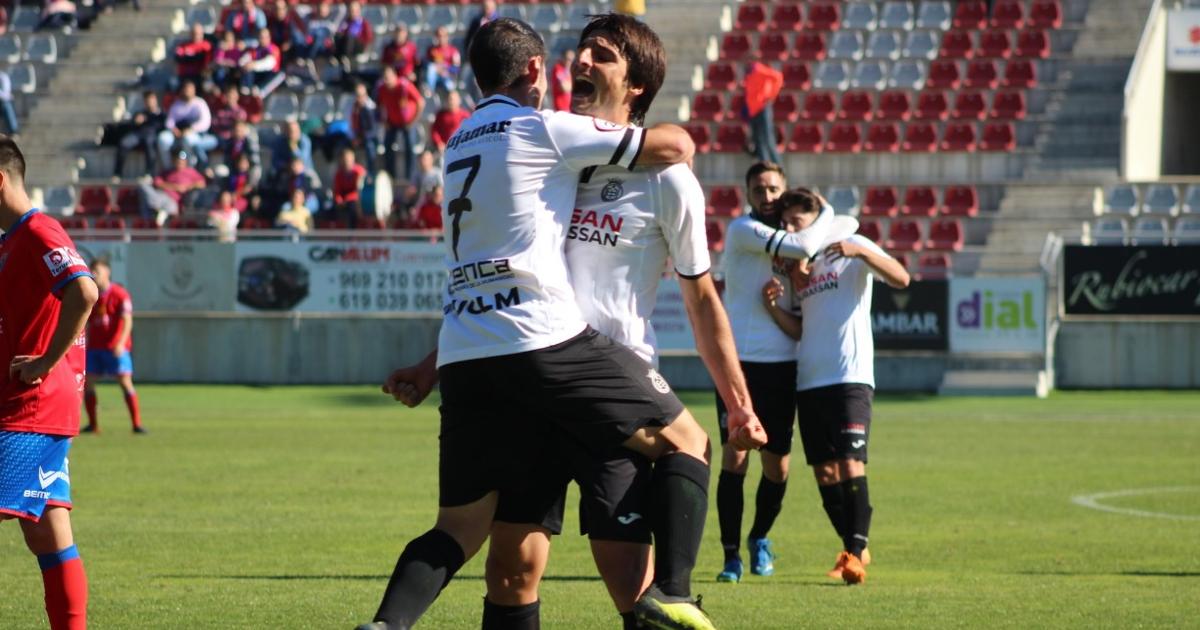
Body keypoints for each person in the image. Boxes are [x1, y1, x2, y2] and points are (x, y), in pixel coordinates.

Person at [356, 17, 706, 630]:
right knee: (689, 440)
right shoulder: (542, 129)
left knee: (467, 533)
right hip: (546, 345)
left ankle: (385, 626)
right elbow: (673, 145)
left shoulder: (458, 142)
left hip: (471, 356)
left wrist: (429, 365)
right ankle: (676, 592)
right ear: (535, 71)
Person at [759, 188, 910, 585]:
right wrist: (774, 307)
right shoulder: (798, 266)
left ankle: (855, 554)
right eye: (785, 223)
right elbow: (800, 328)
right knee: (825, 473)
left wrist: (860, 253)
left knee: (849, 464)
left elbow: (901, 277)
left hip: (849, 376)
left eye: (796, 221)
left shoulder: (852, 242)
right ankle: (852, 547)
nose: (790, 228)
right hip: (810, 379)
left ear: (816, 217)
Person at [0, 135, 99, 630]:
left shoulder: (40, 230)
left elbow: (85, 291)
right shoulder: (12, 240)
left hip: (28, 412)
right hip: (36, 412)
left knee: (48, 532)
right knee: (49, 533)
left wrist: (43, 362)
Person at [81, 257, 145, 435]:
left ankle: (136, 424)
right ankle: (93, 425)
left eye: (97, 271)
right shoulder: (91, 294)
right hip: (95, 347)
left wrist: (121, 343)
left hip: (116, 348)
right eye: (92, 271)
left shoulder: (119, 294)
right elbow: (86, 321)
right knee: (89, 383)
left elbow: (127, 321)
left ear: (107, 272)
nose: (94, 275)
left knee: (125, 382)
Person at [375, 66, 424, 183]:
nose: (387, 80)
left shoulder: (404, 86)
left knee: (409, 146)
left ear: (395, 76)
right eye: (385, 78)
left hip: (407, 123)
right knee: (387, 145)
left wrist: (413, 121)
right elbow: (379, 106)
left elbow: (420, 102)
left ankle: (409, 178)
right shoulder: (382, 89)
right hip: (392, 122)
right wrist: (384, 121)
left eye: (389, 77)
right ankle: (390, 176)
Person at [156, 81, 218, 170]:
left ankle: (189, 169)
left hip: (196, 134)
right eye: (185, 89)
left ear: (194, 90)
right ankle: (168, 168)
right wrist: (174, 129)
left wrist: (191, 129)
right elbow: (169, 122)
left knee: (188, 140)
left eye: (189, 89)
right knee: (163, 139)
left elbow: (205, 122)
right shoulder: (177, 104)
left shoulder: (200, 103)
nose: (187, 91)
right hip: (177, 133)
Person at [139, 151, 206, 226]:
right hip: (162, 196)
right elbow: (157, 182)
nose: (179, 163)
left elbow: (202, 183)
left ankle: (160, 213)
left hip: (174, 202)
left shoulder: (191, 172)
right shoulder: (168, 171)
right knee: (143, 185)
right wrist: (175, 187)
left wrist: (187, 187)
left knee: (169, 208)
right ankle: (158, 212)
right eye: (178, 161)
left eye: (182, 161)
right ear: (174, 161)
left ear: (185, 162)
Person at [112, 91, 165, 179]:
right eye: (147, 100)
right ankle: (117, 173)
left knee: (149, 143)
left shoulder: (161, 115)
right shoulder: (140, 113)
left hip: (151, 135)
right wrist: (136, 122)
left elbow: (161, 127)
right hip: (138, 135)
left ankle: (149, 173)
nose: (150, 102)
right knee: (124, 143)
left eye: (151, 100)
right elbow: (131, 125)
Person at [744, 61, 782, 165]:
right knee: (759, 142)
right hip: (753, 111)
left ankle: (778, 169)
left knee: (768, 140)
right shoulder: (749, 73)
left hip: (762, 109)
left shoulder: (758, 69)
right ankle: (764, 168)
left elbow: (777, 77)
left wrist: (771, 96)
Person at [239, 28, 284, 97]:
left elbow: (269, 63)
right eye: (261, 37)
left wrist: (254, 64)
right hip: (256, 76)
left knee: (280, 74)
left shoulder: (274, 49)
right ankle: (246, 90)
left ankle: (259, 92)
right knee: (246, 68)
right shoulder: (255, 50)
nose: (263, 39)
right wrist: (246, 65)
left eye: (266, 37)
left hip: (268, 77)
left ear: (269, 37)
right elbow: (242, 61)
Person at [334, 1, 373, 76]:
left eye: (355, 10)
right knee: (338, 36)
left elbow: (368, 38)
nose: (353, 13)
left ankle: (346, 58)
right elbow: (340, 32)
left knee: (350, 37)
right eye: (351, 10)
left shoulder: (364, 23)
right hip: (346, 45)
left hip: (358, 45)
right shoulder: (346, 22)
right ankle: (339, 58)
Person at [331, 146, 365, 227]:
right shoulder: (339, 174)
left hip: (355, 200)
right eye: (345, 159)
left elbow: (358, 190)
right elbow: (337, 190)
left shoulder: (359, 171)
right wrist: (339, 200)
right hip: (343, 200)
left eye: (349, 159)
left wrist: (347, 200)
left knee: (352, 209)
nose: (347, 161)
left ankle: (352, 233)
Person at [423, 26, 461, 95]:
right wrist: (436, 68)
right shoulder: (431, 50)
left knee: (450, 87)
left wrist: (446, 70)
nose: (441, 38)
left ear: (447, 36)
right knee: (431, 67)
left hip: (447, 76)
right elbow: (425, 64)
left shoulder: (453, 50)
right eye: (438, 35)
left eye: (443, 36)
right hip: (434, 77)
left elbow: (457, 69)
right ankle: (430, 92)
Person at [173, 23, 213, 89]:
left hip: (200, 76)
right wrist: (195, 57)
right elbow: (178, 58)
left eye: (198, 34)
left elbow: (205, 60)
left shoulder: (207, 46)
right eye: (194, 33)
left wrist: (188, 58)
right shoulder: (183, 46)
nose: (196, 36)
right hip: (184, 76)